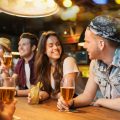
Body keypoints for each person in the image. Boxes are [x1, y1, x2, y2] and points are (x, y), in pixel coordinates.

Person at [57, 15, 120, 111]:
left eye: (87, 42)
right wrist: (71, 102)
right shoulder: (94, 64)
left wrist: (101, 101)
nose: (84, 46)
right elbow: (87, 96)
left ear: (101, 44)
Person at [28, 31, 83, 103]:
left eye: (58, 44)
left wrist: (49, 94)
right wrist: (39, 96)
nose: (56, 47)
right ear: (44, 50)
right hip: (65, 106)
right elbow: (45, 91)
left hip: (82, 105)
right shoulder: (45, 67)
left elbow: (66, 95)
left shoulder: (68, 61)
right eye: (51, 46)